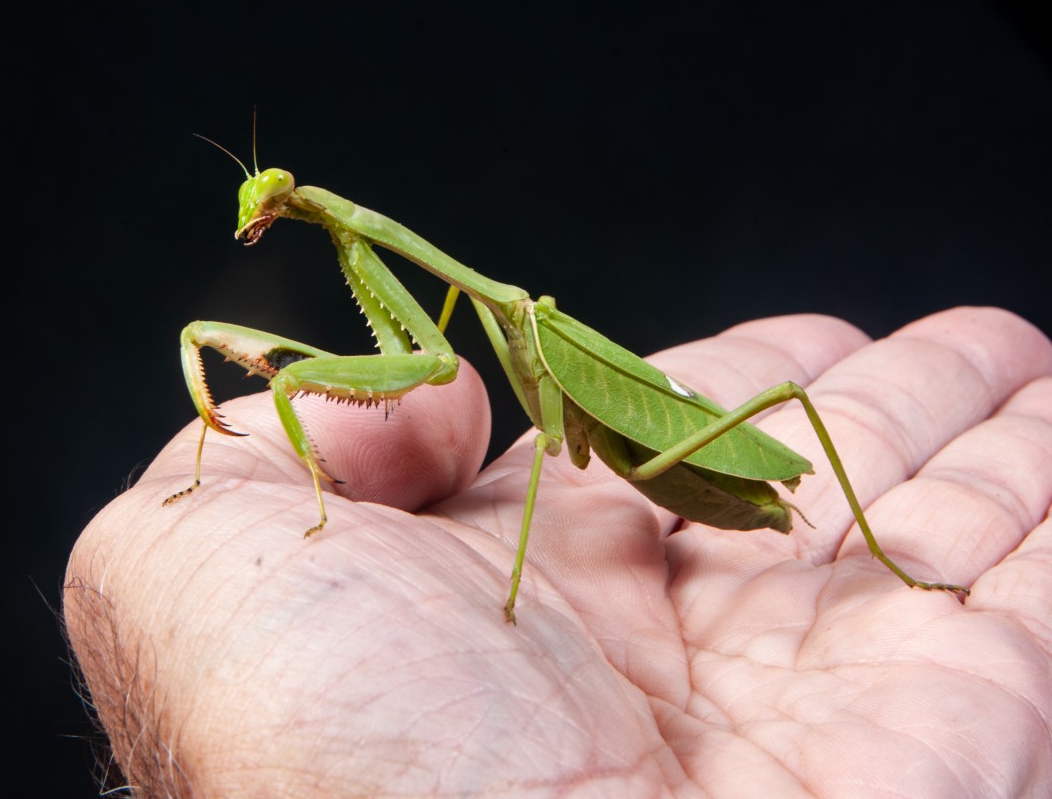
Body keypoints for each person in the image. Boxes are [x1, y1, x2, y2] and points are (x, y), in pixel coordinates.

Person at [65, 308, 1051, 795]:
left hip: (684, 458)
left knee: (785, 400)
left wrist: (507, 594)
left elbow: (546, 459)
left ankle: (895, 555)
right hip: (647, 473)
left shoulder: (500, 325)